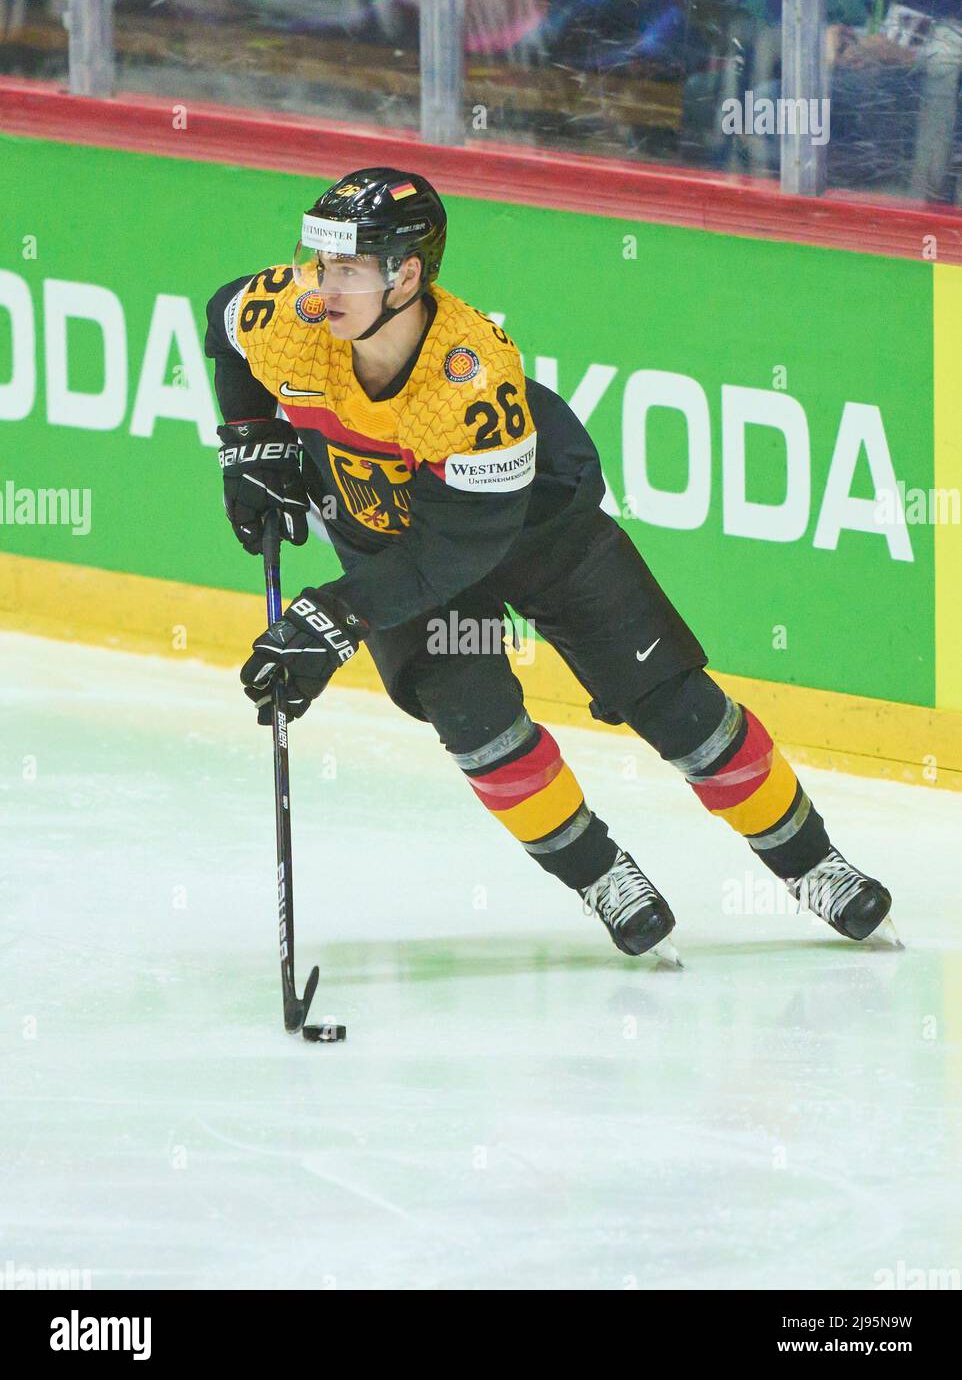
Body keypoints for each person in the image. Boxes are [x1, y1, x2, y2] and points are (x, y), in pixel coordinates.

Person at [204, 166, 894, 959]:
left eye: (348, 268)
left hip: (531, 533)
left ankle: (813, 865)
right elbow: (223, 320)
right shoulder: (293, 314)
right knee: (479, 727)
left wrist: (338, 614)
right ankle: (602, 876)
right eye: (321, 261)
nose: (323, 286)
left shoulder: (470, 375)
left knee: (673, 705)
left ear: (408, 276)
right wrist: (250, 439)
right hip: (388, 532)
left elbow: (455, 551)